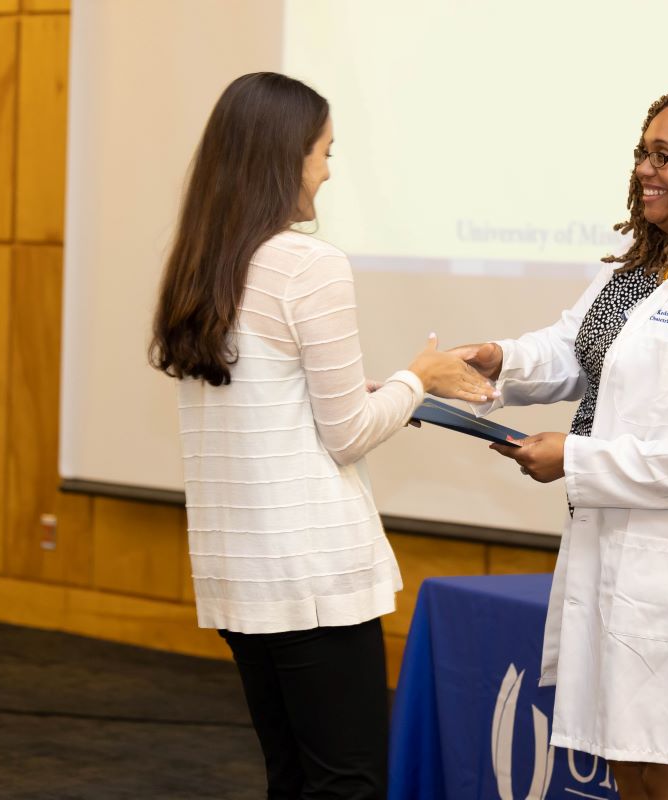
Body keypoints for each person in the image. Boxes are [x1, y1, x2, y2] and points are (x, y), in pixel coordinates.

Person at [452, 80, 668, 800]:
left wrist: (573, 461)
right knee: (626, 760)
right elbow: (578, 349)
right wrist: (501, 358)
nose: (645, 169)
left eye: (665, 156)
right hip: (622, 555)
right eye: (643, 152)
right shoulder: (649, 269)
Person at [149, 72, 491, 799]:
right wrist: (418, 378)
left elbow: (266, 402)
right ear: (287, 157)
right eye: (324, 151)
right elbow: (347, 435)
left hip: (242, 574)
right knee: (347, 784)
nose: (330, 169)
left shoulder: (201, 265)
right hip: (312, 575)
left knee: (294, 779)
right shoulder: (310, 264)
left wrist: (392, 389)